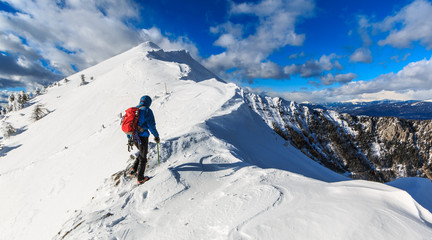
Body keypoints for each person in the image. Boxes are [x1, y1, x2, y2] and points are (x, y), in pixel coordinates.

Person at [129, 95, 160, 184]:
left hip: (133, 137)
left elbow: (129, 125)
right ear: (149, 102)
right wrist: (156, 136)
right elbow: (152, 126)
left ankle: (133, 169)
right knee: (143, 156)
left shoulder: (134, 110)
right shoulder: (147, 110)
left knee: (142, 152)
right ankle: (140, 178)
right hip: (142, 136)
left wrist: (129, 138)